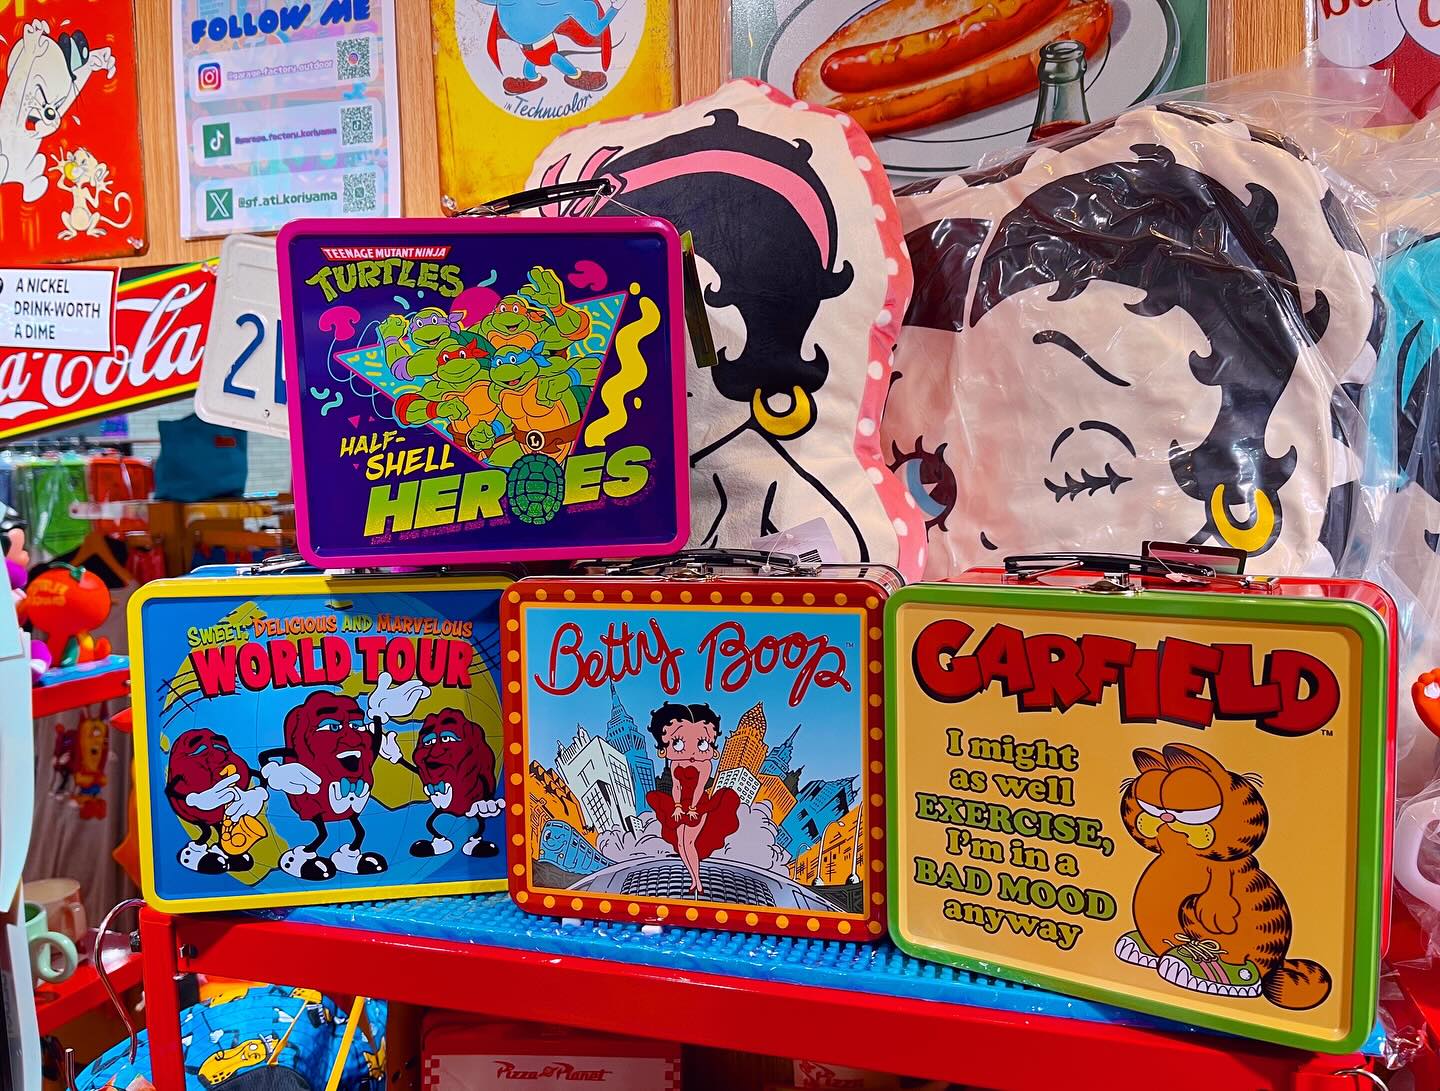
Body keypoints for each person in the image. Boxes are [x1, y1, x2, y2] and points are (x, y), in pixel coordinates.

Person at [645, 701, 740, 897]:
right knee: (680, 844)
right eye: (678, 743)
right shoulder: (675, 764)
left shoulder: (705, 765)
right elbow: (676, 786)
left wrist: (693, 808)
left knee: (689, 843)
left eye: (702, 743)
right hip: (682, 804)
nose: (692, 751)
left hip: (699, 805)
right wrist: (677, 806)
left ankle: (698, 881)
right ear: (664, 748)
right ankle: (693, 877)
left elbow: (699, 787)